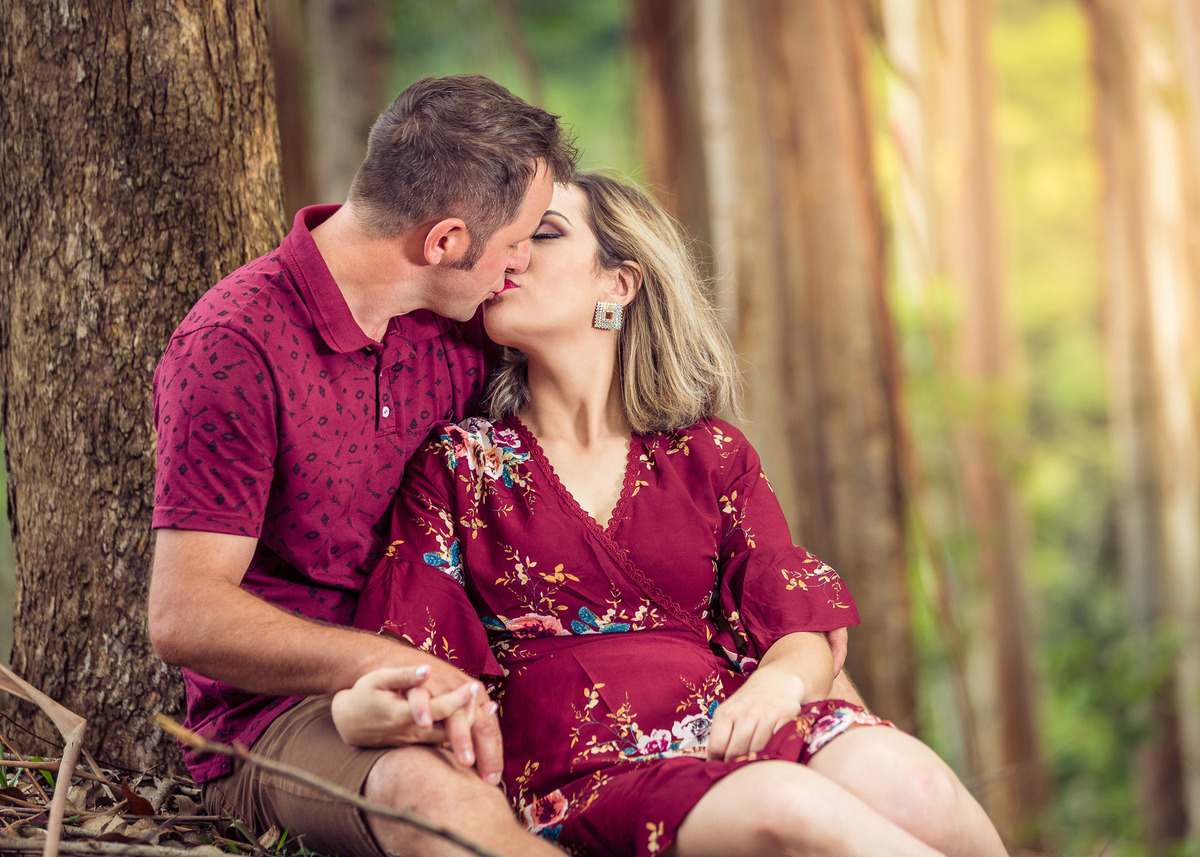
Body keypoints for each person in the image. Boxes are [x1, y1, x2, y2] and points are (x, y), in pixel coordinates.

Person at [345, 173, 1010, 857]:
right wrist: (360, 709)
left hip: (735, 727)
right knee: (784, 807)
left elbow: (796, 624)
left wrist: (778, 684)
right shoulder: (458, 465)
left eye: (542, 234)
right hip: (587, 771)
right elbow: (410, 661)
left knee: (913, 784)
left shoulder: (710, 454)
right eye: (509, 238)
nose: (511, 255)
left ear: (619, 284)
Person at [148, 75, 579, 857]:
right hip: (292, 713)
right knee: (433, 801)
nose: (521, 263)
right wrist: (395, 664)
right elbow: (185, 614)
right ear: (445, 242)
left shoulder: (462, 322)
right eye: (518, 240)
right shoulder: (234, 345)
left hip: (474, 661)